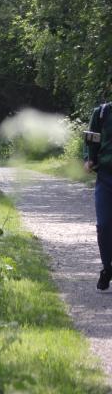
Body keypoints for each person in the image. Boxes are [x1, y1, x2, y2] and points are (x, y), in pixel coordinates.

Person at [84, 100, 112, 291]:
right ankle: (107, 268)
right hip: (105, 177)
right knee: (104, 225)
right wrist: (89, 159)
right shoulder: (101, 113)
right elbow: (90, 141)